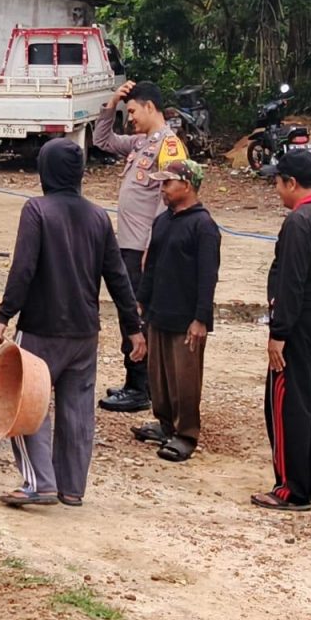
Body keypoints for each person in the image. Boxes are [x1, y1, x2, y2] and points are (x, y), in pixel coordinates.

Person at [0, 138, 144, 507]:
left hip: (41, 329)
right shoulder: (97, 216)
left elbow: (23, 269)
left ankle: (39, 483)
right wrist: (133, 327)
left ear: (46, 171)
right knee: (77, 411)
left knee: (29, 404)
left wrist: (3, 316)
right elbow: (118, 276)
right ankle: (71, 488)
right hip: (84, 333)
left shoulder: (37, 210)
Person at [93, 80, 185, 412]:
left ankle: (140, 387)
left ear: (150, 107)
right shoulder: (140, 142)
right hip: (128, 246)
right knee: (129, 313)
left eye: (132, 111)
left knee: (138, 316)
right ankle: (134, 381)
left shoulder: (169, 146)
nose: (129, 117)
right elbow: (101, 140)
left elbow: (169, 200)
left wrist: (153, 247)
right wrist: (113, 101)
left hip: (143, 248)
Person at [251, 149, 311, 512]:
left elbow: (291, 282)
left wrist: (278, 333)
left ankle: (291, 489)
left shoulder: (300, 221)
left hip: (300, 322)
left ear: (292, 183)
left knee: (287, 404)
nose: (277, 191)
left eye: (278, 183)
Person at [131, 160, 221, 463]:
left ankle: (185, 434)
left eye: (168, 182)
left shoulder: (203, 226)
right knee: (160, 376)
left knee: (185, 379)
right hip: (160, 312)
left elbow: (208, 276)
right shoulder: (163, 221)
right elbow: (152, 264)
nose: (162, 189)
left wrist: (201, 319)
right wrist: (142, 300)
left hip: (186, 318)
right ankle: (165, 423)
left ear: (188, 185)